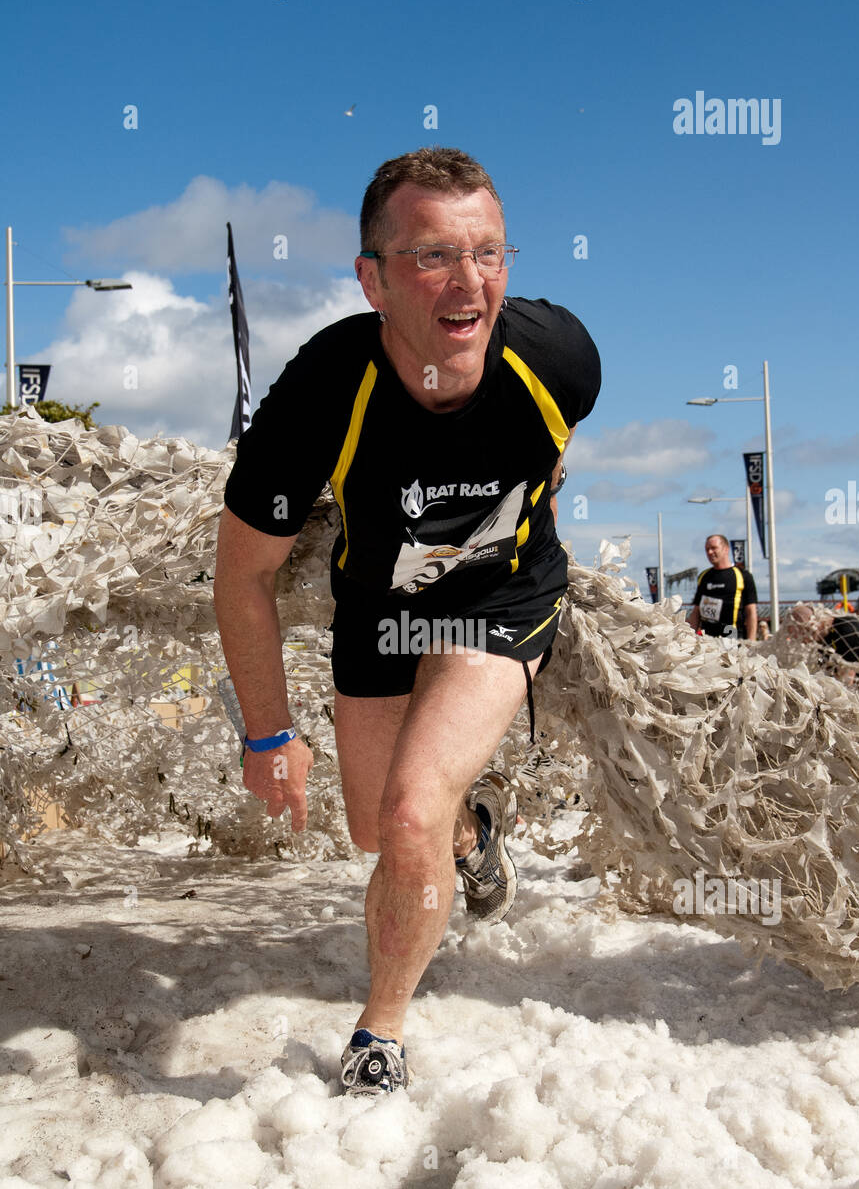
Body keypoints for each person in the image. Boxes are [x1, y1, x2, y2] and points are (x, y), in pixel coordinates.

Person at [214, 147, 601, 1096]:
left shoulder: (557, 357)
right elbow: (241, 578)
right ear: (373, 279)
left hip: (500, 605)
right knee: (381, 833)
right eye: (432, 256)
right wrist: (268, 732)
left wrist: (541, 485)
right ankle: (474, 838)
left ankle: (378, 1032)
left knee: (406, 806)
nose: (468, 284)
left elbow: (558, 438)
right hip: (379, 614)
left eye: (489, 253)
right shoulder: (322, 390)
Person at [687, 535, 758, 641]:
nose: (710, 552)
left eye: (713, 548)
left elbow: (751, 611)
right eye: (707, 549)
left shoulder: (742, 575)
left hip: (733, 636)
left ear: (726, 549)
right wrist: (689, 639)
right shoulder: (704, 576)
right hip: (708, 639)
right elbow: (696, 611)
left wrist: (751, 642)